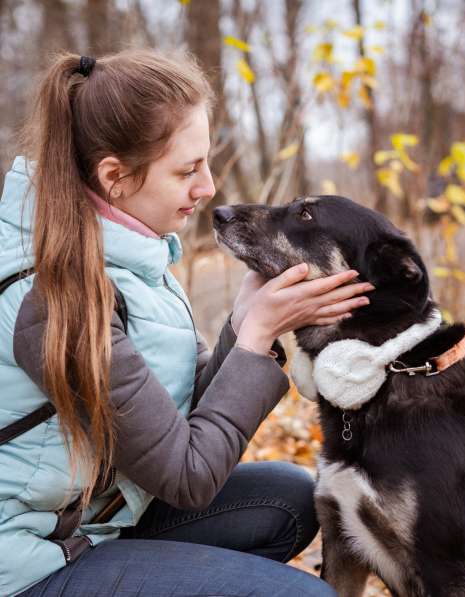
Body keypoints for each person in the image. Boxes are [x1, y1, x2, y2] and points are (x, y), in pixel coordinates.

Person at [0, 49, 373, 597]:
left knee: (288, 499)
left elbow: (168, 419)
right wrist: (257, 337)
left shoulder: (127, 254)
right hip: (27, 561)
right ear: (116, 177)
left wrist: (242, 321)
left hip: (91, 519)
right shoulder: (57, 297)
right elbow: (187, 475)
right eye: (187, 170)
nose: (210, 188)